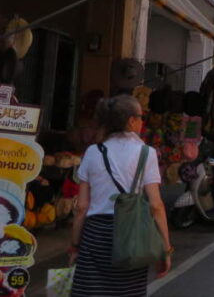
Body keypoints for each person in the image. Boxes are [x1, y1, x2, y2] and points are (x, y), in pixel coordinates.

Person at [71, 95, 172, 296]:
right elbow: (156, 206)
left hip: (95, 236)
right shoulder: (147, 153)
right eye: (141, 117)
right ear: (131, 121)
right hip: (131, 236)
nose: (143, 122)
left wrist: (74, 246)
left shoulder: (92, 152)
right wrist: (165, 249)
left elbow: (82, 207)